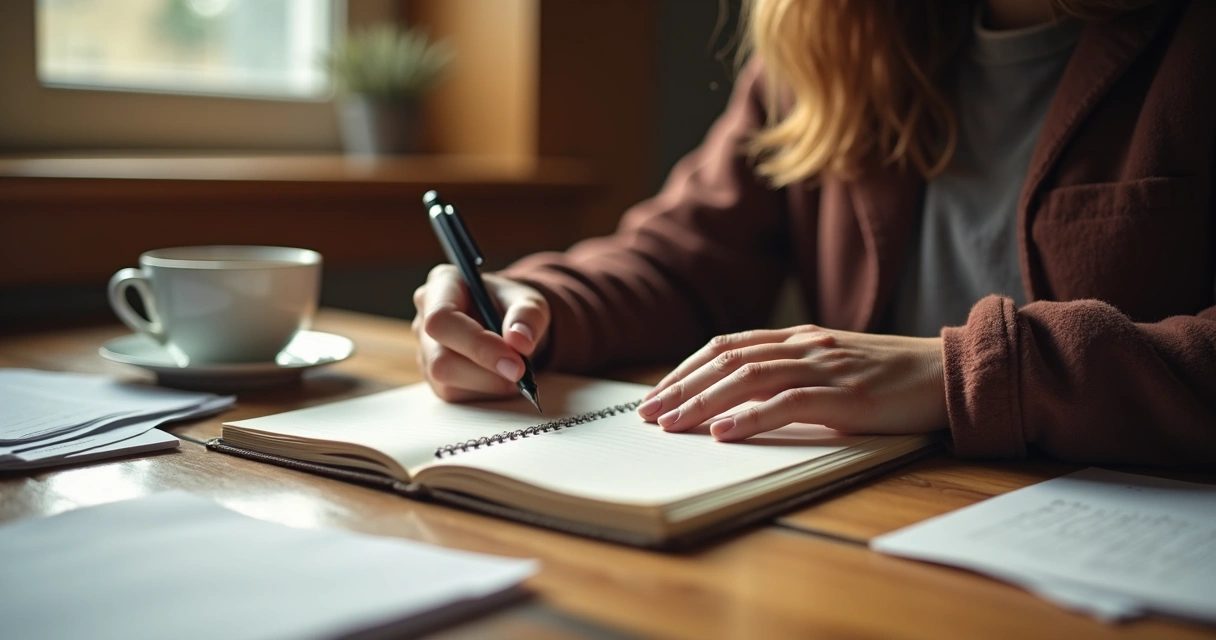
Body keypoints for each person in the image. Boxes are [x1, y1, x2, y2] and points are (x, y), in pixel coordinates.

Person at [412, 0, 1216, 465]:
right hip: (871, 521)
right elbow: (682, 254)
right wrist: (538, 302)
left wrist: (967, 373)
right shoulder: (838, 37)